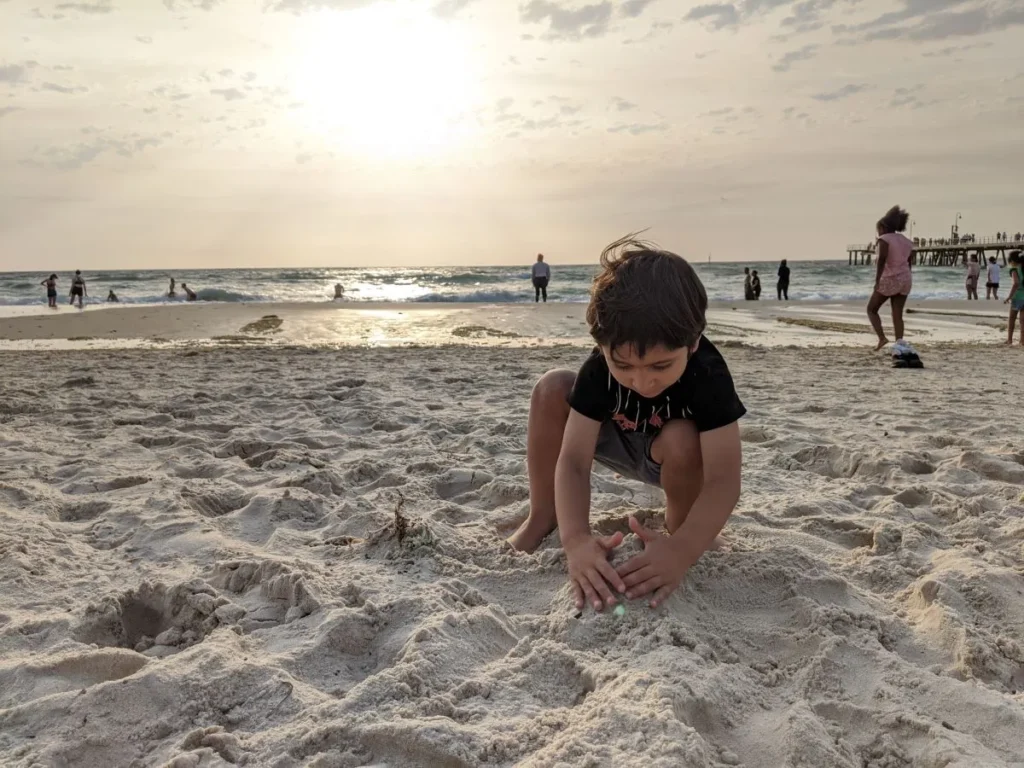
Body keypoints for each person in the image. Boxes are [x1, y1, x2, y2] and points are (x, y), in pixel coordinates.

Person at [508, 236, 745, 612]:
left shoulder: (709, 373)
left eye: (660, 366)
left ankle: (681, 527)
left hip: (670, 453)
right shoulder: (598, 370)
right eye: (623, 366)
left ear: (694, 343)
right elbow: (572, 462)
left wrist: (682, 550)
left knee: (683, 438)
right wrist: (576, 541)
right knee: (551, 388)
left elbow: (724, 479)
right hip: (614, 439)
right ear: (602, 347)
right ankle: (542, 517)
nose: (642, 381)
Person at [866, 205, 914, 351]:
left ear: (883, 227)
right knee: (897, 314)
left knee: (872, 309)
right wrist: (906, 277)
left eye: (878, 229)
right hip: (905, 279)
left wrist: (877, 281)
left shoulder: (884, 239)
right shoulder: (906, 241)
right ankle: (899, 344)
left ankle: (882, 338)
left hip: (889, 279)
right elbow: (909, 262)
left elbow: (882, 259)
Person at [1006, 251, 1024, 346]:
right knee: (1022, 321)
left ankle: (1009, 340)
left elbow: (1016, 283)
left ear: (1012, 260)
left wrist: (1009, 296)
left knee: (1012, 319)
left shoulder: (1014, 269)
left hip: (1017, 297)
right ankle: (1022, 341)